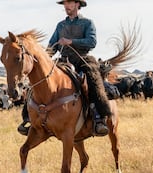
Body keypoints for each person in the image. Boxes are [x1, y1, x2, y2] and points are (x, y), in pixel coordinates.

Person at [17, 0, 111, 136]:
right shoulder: (61, 25)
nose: (67, 6)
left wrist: (71, 41)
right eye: (65, 4)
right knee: (40, 80)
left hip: (83, 58)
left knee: (93, 79)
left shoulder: (87, 23)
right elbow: (51, 47)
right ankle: (29, 118)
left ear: (78, 5)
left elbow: (92, 42)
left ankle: (99, 119)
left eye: (70, 3)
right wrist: (42, 57)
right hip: (63, 60)